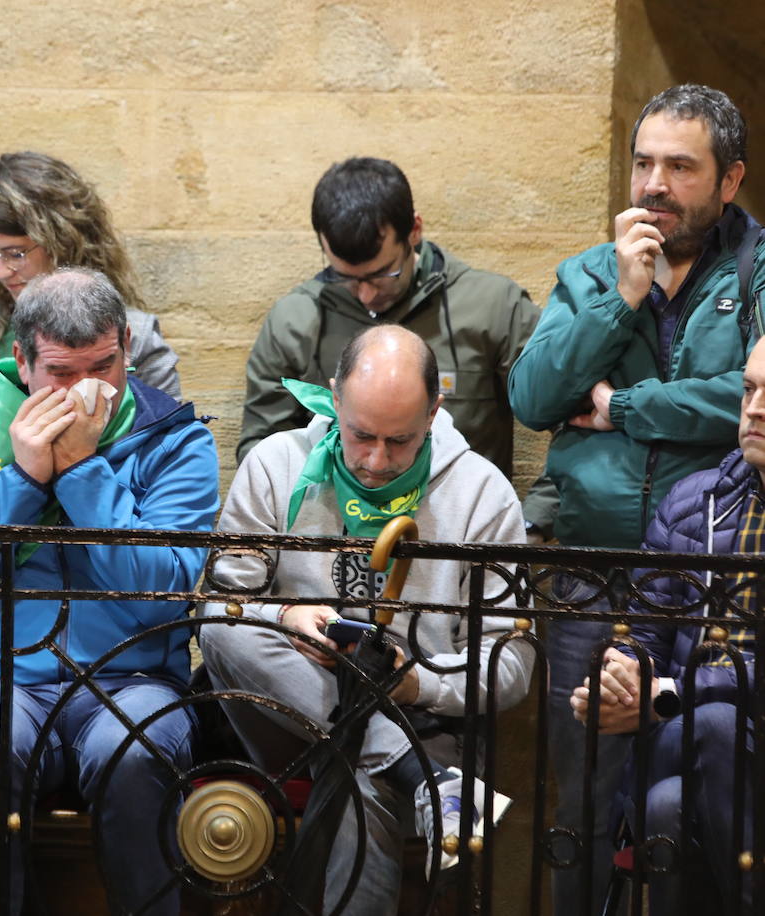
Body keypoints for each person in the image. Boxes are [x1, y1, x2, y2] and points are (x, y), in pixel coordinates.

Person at [508, 83, 764, 912]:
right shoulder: (590, 273)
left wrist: (623, 406)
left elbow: (746, 399)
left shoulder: (757, 271)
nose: (654, 183)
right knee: (585, 797)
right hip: (592, 569)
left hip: (711, 571)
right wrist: (619, 299)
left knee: (691, 798)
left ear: (730, 181)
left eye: (680, 167)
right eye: (643, 162)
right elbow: (534, 396)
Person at [0, 268, 219, 916]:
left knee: (136, 749)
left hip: (132, 681)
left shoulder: (177, 442)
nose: (85, 394)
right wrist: (19, 478)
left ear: (127, 346)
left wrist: (80, 469)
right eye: (60, 373)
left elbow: (162, 594)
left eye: (102, 367)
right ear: (21, 361)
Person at [202, 325, 534, 915]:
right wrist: (285, 615)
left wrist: (419, 683)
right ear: (334, 398)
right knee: (223, 630)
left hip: (428, 722)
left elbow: (513, 663)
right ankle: (425, 781)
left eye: (400, 441)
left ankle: (409, 768)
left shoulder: (483, 495)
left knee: (358, 778)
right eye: (360, 435)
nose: (376, 461)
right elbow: (219, 604)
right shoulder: (276, 466)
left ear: (435, 411)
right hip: (290, 717)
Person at [0, 150, 182, 685]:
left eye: (15, 253)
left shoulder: (137, 339)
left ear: (63, 240)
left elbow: (153, 454)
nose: (2, 271)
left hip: (89, 550)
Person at [235, 157, 555, 534]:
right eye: (344, 278)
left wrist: (529, 523)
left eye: (383, 274)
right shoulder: (295, 322)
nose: (367, 294)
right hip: (328, 555)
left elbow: (569, 415)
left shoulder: (493, 308)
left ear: (414, 230)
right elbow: (259, 451)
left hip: (455, 550)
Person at [570, 335, 765, 913]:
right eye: (750, 390)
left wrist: (670, 695)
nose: (754, 409)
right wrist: (621, 679)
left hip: (716, 736)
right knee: (712, 731)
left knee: (668, 801)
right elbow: (643, 634)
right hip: (689, 740)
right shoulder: (694, 504)